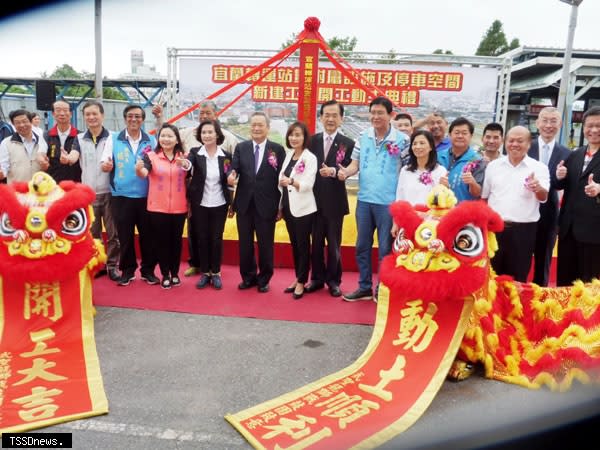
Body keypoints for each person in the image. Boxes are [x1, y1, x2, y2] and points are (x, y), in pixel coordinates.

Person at [153, 100, 238, 277]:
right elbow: (168, 135)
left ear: (216, 115)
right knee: (195, 232)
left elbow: (233, 167)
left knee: (215, 236)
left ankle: (214, 270)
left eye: (208, 113)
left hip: (220, 198)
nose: (203, 116)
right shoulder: (189, 135)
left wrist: (233, 194)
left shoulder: (229, 139)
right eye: (201, 113)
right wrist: (160, 119)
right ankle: (197, 264)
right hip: (196, 195)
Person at [337, 96, 409, 301]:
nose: (376, 117)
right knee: (362, 245)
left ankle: (382, 289)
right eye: (373, 112)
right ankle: (365, 286)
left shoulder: (402, 140)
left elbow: (407, 171)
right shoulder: (363, 136)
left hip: (388, 203)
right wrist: (344, 173)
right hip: (365, 200)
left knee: (385, 248)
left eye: (380, 113)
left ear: (391, 115)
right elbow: (354, 164)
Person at [227, 112, 285, 293]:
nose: (256, 128)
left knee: (266, 244)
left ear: (267, 128)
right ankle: (248, 277)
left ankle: (264, 279)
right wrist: (231, 175)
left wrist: (280, 206)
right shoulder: (241, 147)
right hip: (244, 204)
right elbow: (234, 168)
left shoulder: (277, 149)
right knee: (245, 244)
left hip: (267, 205)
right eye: (253, 125)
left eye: (260, 125)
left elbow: (282, 177)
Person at [482, 126, 549, 282]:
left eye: (520, 141)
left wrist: (537, 187)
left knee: (518, 277)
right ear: (505, 142)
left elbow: (543, 196)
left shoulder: (539, 168)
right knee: (491, 275)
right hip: (495, 229)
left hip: (524, 231)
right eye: (511, 140)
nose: (515, 144)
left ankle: (515, 306)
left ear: (529, 144)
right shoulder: (493, 166)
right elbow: (485, 197)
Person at [101, 104, 158, 286]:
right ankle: (127, 270)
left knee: (148, 236)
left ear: (143, 119)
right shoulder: (114, 139)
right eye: (130, 116)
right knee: (124, 236)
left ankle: (148, 271)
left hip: (146, 196)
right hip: (121, 196)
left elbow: (157, 162)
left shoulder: (151, 140)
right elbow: (105, 161)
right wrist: (106, 166)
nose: (134, 120)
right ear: (125, 118)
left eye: (138, 117)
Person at [306, 100, 354, 297]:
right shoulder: (311, 141)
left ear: (341, 118)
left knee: (334, 244)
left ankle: (334, 281)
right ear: (320, 117)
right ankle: (316, 278)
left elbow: (350, 169)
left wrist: (335, 172)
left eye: (335, 115)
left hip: (335, 202)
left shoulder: (349, 144)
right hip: (313, 202)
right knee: (315, 243)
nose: (331, 119)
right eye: (327, 115)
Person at [135, 124, 189, 289]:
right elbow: (144, 173)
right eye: (163, 136)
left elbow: (190, 170)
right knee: (162, 242)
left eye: (170, 136)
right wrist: (139, 169)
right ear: (159, 139)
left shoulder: (184, 157)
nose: (166, 139)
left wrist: (185, 164)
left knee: (176, 242)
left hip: (179, 207)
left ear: (177, 139)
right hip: (157, 207)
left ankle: (175, 274)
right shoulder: (151, 156)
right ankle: (165, 274)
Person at [555, 106, 600, 286]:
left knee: (590, 286)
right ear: (583, 128)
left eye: (598, 125)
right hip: (568, 231)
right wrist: (560, 176)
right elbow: (562, 185)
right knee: (566, 283)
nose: (594, 130)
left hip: (594, 233)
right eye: (590, 126)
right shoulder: (575, 155)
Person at [76, 100, 120, 281]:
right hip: (89, 194)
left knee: (113, 233)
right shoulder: (79, 139)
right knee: (92, 234)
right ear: (84, 117)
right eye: (88, 114)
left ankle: (112, 266)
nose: (91, 117)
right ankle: (97, 264)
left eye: (95, 113)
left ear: (102, 115)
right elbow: (74, 157)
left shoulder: (114, 137)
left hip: (110, 192)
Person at [527, 107, 570, 286]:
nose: (548, 125)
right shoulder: (525, 147)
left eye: (553, 121)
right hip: (524, 211)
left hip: (550, 214)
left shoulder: (567, 154)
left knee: (543, 261)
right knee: (520, 257)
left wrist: (561, 178)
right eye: (545, 120)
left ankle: (540, 299)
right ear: (537, 123)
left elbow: (566, 185)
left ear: (560, 125)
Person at [187, 120, 232, 290]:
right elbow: (189, 164)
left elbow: (229, 176)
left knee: (216, 238)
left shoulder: (226, 156)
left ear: (217, 135)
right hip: (200, 203)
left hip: (220, 203)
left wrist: (231, 180)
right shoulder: (195, 153)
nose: (206, 135)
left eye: (210, 132)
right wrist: (185, 164)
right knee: (202, 238)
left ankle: (216, 272)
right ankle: (205, 273)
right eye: (203, 132)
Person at [279, 122, 318, 300]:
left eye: (298, 135)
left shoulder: (310, 158)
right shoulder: (289, 155)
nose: (294, 138)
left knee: (303, 246)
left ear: (305, 138)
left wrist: (292, 182)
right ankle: (298, 277)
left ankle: (302, 281)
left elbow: (308, 184)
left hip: (303, 208)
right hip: (288, 206)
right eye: (291, 135)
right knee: (295, 245)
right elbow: (281, 179)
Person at [394, 129, 447, 205]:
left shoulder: (440, 171)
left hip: (430, 215)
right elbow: (400, 197)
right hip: (408, 214)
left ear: (431, 147)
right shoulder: (405, 170)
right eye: (414, 144)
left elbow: (441, 200)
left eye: (422, 143)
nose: (417, 147)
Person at [438, 117, 485, 202]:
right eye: (456, 133)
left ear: (471, 136)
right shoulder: (438, 156)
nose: (460, 136)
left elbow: (478, 193)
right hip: (439, 210)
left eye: (464, 133)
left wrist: (472, 183)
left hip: (463, 212)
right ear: (449, 135)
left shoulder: (477, 160)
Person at [0, 109, 48, 183]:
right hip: (16, 191)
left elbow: (48, 165)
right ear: (13, 124)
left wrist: (46, 166)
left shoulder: (42, 141)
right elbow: (3, 167)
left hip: (38, 190)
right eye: (17, 123)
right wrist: (1, 173)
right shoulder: (6, 143)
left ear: (31, 122)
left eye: (25, 121)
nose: (22, 125)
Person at [44, 100, 81, 182]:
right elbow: (42, 154)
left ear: (71, 114)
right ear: (53, 114)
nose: (62, 113)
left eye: (65, 110)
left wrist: (68, 159)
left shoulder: (80, 136)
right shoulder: (46, 136)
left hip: (76, 183)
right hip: (53, 184)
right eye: (58, 110)